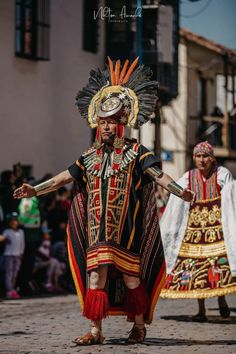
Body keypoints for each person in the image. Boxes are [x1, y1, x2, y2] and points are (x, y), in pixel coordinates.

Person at [14, 58, 194, 345]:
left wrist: (179, 191)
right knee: (95, 280)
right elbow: (64, 177)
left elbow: (158, 175)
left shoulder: (137, 152)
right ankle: (96, 331)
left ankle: (138, 325)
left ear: (121, 123)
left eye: (110, 122)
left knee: (131, 281)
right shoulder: (88, 156)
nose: (106, 127)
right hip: (96, 233)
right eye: (102, 122)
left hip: (128, 234)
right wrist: (35, 190)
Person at [160, 141, 236, 321]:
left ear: (212, 158)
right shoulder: (188, 177)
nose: (202, 160)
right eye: (198, 156)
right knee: (195, 269)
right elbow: (176, 199)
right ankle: (201, 310)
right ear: (194, 158)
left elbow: (231, 198)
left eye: (205, 156)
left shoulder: (222, 174)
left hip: (217, 230)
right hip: (194, 231)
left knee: (219, 266)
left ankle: (222, 300)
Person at [0, 212, 25, 299]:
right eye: (12, 221)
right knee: (9, 273)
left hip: (18, 255)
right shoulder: (7, 231)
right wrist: (4, 238)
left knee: (15, 273)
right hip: (9, 255)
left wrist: (21, 253)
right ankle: (9, 290)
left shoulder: (21, 232)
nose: (14, 223)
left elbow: (22, 244)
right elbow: (2, 238)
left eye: (15, 221)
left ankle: (12, 289)